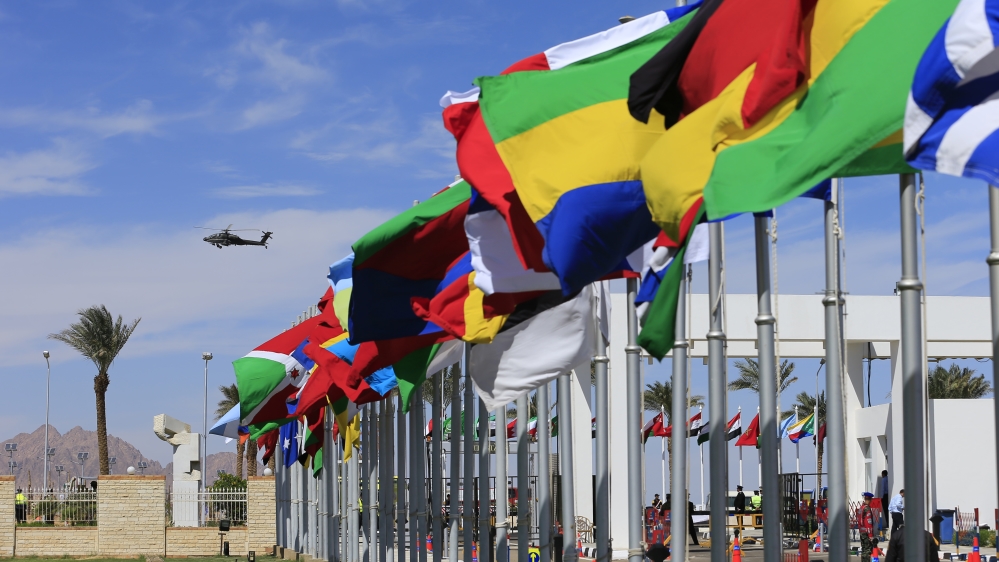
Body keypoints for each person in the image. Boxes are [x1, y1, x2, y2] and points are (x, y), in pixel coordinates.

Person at [858, 492, 877, 562]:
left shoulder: (861, 508)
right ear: (870, 499)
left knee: (864, 550)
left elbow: (859, 521)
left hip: (862, 532)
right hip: (866, 533)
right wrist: (871, 536)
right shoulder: (867, 509)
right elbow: (868, 522)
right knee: (867, 551)